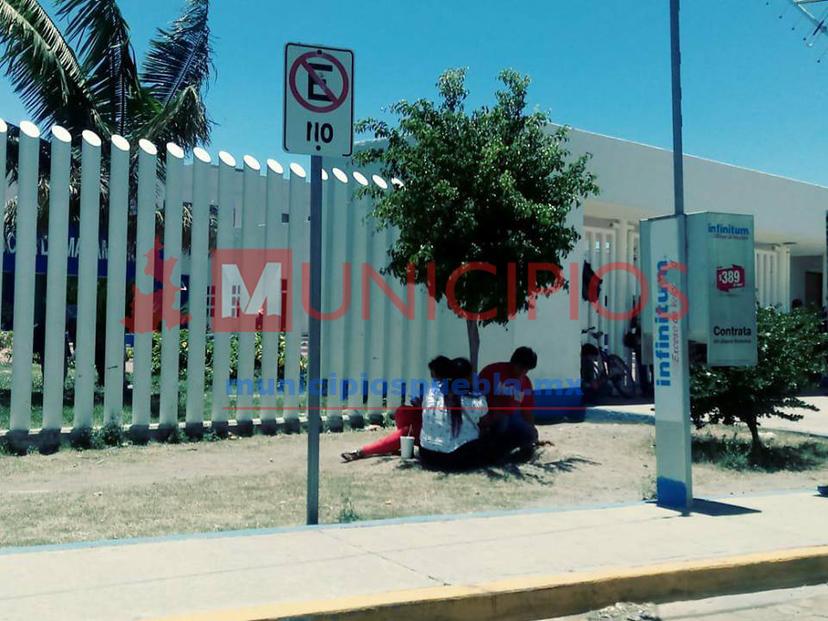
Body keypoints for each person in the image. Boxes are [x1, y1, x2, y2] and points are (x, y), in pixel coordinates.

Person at [341, 356, 453, 462]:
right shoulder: (443, 387)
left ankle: (363, 451)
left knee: (406, 431)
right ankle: (398, 444)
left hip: (439, 433)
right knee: (403, 411)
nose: (432, 377)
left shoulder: (446, 389)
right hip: (435, 426)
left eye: (433, 374)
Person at [419, 357, 489, 470]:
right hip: (456, 459)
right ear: (468, 378)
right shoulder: (476, 400)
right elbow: (486, 423)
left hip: (427, 455)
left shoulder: (431, 393)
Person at [477, 346, 539, 460]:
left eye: (527, 369)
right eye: (521, 367)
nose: (523, 372)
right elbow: (477, 397)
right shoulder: (492, 371)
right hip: (489, 417)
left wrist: (532, 431)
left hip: (511, 419)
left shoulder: (525, 383)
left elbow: (527, 411)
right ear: (514, 363)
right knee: (502, 421)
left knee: (530, 434)